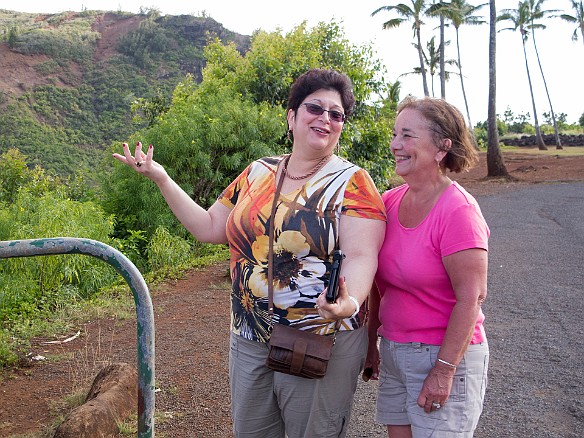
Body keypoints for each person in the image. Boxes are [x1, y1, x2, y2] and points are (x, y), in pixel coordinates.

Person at [113, 68, 387, 437]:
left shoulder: (354, 182)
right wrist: (162, 178)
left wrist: (349, 302)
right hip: (249, 334)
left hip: (318, 339)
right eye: (314, 108)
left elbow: (361, 256)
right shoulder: (257, 172)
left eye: (335, 114)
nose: (325, 118)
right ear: (291, 117)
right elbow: (209, 227)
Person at [365, 96, 490, 437]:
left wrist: (444, 370)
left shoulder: (458, 211)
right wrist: (370, 343)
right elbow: (381, 286)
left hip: (441, 356)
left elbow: (472, 297)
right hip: (394, 352)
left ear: (441, 147)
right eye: (394, 135)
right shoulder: (389, 202)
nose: (395, 145)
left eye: (407, 135)